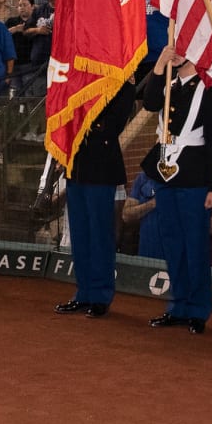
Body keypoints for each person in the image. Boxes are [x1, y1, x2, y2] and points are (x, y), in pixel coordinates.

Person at [139, 45, 212, 334]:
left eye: (183, 47)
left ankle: (198, 309)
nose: (176, 51)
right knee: (172, 242)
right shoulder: (167, 83)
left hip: (194, 176)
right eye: (174, 46)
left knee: (195, 245)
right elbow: (150, 103)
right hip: (166, 174)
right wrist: (160, 64)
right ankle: (178, 304)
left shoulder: (209, 90)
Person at [54, 82, 137, 319]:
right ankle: (83, 292)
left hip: (101, 167)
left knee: (100, 234)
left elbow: (111, 126)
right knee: (80, 234)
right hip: (76, 166)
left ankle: (100, 295)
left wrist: (81, 124)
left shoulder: (121, 85)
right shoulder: (82, 78)